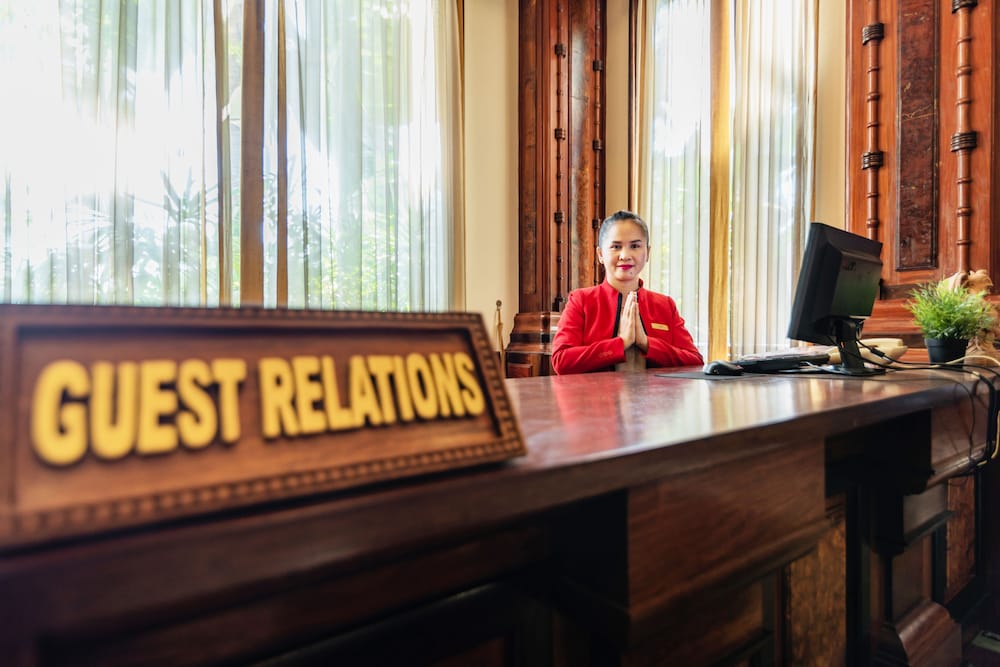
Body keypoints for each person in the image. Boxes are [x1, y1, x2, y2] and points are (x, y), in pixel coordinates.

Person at [551, 210, 703, 374]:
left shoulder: (665, 305)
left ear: (647, 253)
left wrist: (646, 343)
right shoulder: (581, 300)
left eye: (635, 246)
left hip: (654, 392)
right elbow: (561, 361)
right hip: (596, 392)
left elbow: (694, 361)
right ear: (600, 254)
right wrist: (621, 343)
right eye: (616, 247)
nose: (625, 255)